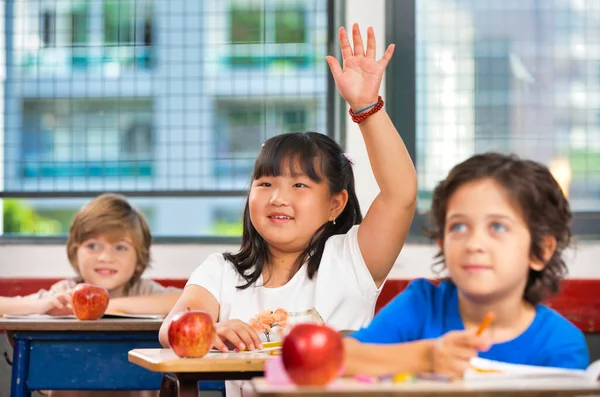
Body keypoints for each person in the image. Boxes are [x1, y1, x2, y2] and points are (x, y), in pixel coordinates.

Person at [159, 24, 417, 397]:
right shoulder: (220, 271)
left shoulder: (351, 260)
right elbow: (173, 326)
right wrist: (206, 332)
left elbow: (401, 194)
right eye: (265, 184)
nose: (277, 198)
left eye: (299, 185)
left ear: (336, 203)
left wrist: (365, 107)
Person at [345, 153, 590, 379]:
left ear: (541, 250)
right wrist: (424, 358)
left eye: (498, 227)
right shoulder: (421, 305)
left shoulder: (561, 343)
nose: (474, 244)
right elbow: (339, 359)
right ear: (442, 243)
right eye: (459, 227)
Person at [0, 193, 181, 316]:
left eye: (120, 248)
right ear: (74, 253)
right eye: (93, 246)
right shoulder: (66, 293)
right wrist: (42, 306)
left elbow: (186, 301)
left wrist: (105, 307)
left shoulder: (144, 291)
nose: (105, 258)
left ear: (140, 260)